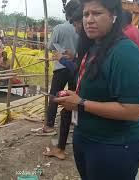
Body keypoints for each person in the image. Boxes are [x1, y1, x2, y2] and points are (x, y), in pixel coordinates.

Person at [54, 0, 139, 179]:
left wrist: (81, 103)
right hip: (88, 137)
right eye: (86, 14)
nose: (89, 20)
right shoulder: (93, 46)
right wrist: (76, 96)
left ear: (114, 16)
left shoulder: (124, 52)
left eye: (97, 13)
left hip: (114, 144)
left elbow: (132, 111)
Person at [43, 7, 83, 160]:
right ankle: (74, 123)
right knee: (73, 99)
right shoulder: (87, 36)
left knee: (55, 95)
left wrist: (60, 56)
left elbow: (50, 45)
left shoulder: (60, 27)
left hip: (62, 67)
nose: (76, 28)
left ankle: (49, 125)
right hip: (76, 67)